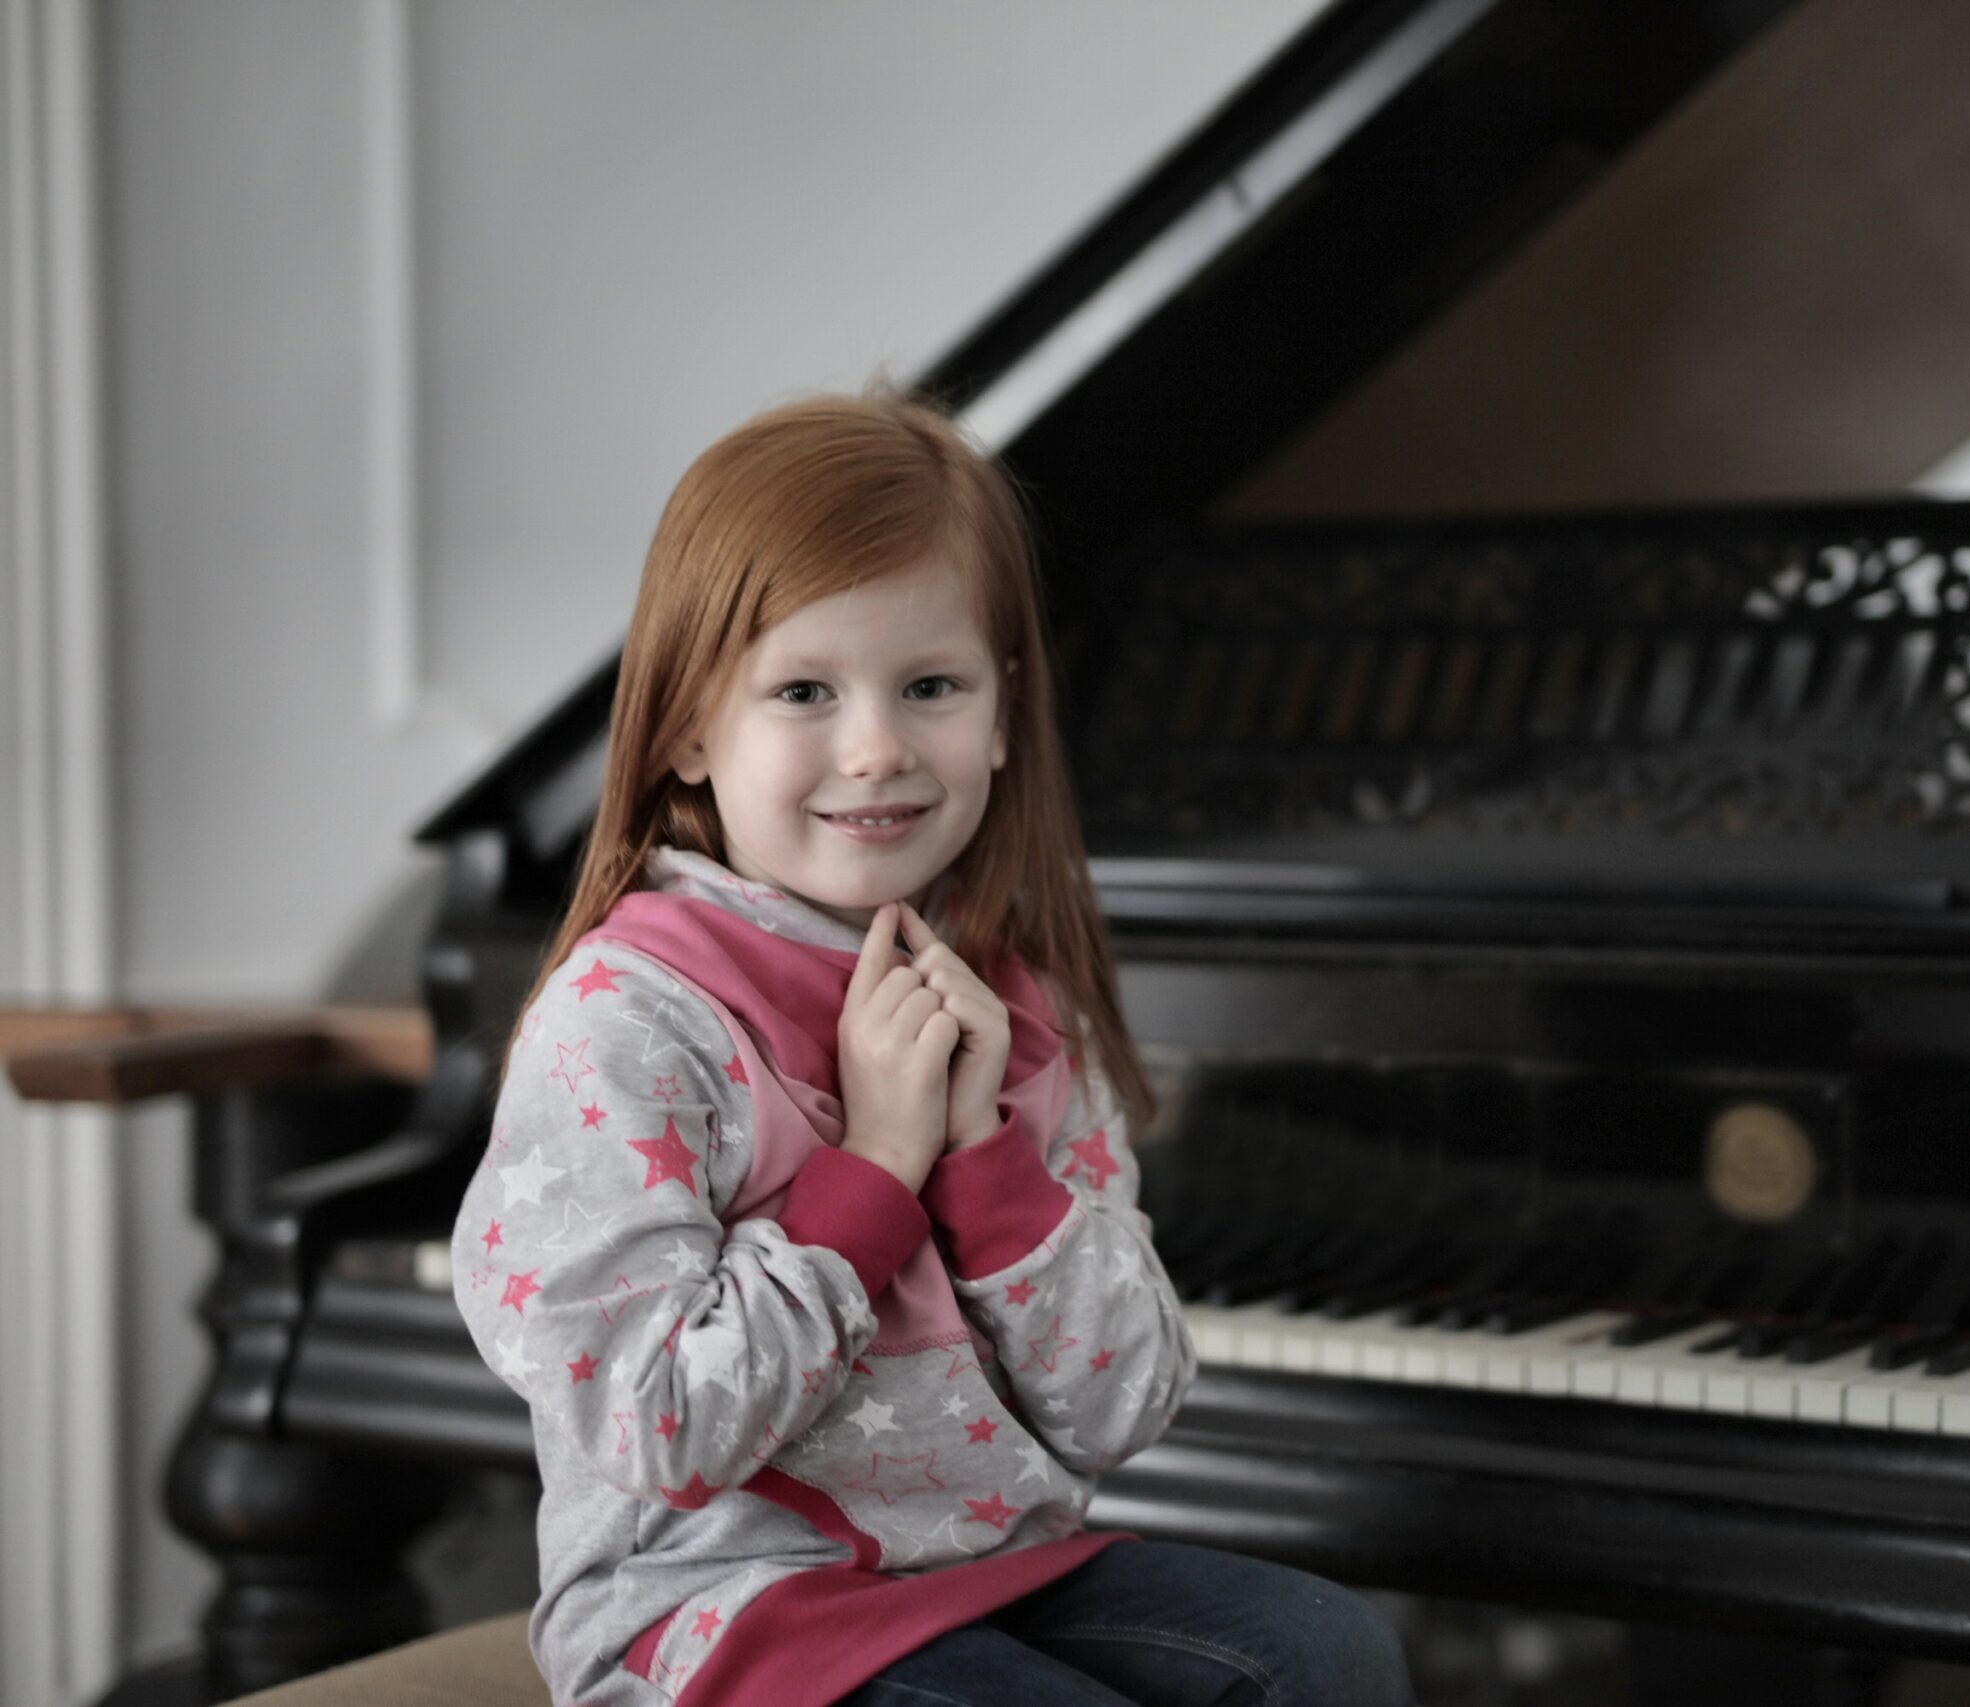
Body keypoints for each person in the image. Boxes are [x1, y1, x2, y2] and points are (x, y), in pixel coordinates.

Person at [449, 390, 1414, 1707]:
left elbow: (1120, 1409)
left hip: (992, 1565)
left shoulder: (1015, 1009)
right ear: (685, 725)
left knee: (1327, 1655)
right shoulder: (626, 1025)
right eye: (803, 689)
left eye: (931, 687)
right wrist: (881, 1166)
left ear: (1004, 714)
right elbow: (658, 1426)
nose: (877, 747)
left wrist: (983, 1157)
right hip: (718, 1615)